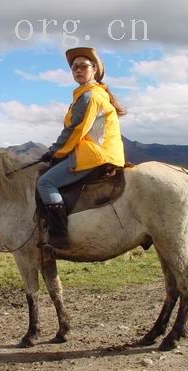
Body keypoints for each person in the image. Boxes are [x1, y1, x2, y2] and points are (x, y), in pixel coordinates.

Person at [37, 47, 126, 249]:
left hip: (95, 154)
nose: (77, 70)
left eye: (83, 66)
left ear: (94, 69)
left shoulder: (89, 96)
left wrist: (55, 152)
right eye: (74, 67)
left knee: (45, 182)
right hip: (101, 152)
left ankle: (58, 236)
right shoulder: (90, 94)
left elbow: (75, 129)